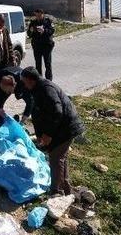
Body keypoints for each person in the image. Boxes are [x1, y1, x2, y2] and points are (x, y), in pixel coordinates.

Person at [20, 67, 84, 196]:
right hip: (59, 128)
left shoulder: (47, 89)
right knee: (60, 158)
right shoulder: (37, 89)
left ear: (30, 80)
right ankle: (66, 190)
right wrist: (39, 135)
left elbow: (57, 112)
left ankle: (56, 192)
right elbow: (38, 114)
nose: (23, 84)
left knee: (56, 158)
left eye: (24, 81)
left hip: (66, 128)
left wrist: (48, 134)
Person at [27, 9, 55, 81]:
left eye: (39, 15)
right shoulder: (33, 22)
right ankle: (39, 80)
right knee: (38, 64)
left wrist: (44, 31)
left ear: (43, 14)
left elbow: (52, 31)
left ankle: (49, 80)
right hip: (37, 46)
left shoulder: (47, 21)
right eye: (36, 15)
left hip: (46, 46)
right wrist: (31, 31)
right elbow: (29, 34)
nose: (38, 17)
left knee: (47, 64)